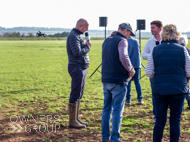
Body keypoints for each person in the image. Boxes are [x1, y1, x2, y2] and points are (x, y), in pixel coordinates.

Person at [145, 24, 190, 142]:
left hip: (160, 90)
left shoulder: (155, 49)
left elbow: (148, 72)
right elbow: (189, 71)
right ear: (177, 34)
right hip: (178, 89)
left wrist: (158, 77)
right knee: (175, 120)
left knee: (160, 120)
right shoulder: (182, 50)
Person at [101, 22, 135, 142]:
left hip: (106, 79)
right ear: (125, 30)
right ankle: (115, 138)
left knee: (106, 109)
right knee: (117, 110)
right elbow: (123, 56)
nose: (129, 36)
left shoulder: (107, 40)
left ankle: (105, 137)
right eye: (129, 33)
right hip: (118, 80)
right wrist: (131, 70)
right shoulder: (122, 41)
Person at [66, 18, 92, 129]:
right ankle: (72, 122)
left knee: (79, 94)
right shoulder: (73, 36)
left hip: (81, 67)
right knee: (75, 93)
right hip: (76, 68)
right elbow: (77, 53)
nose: (87, 30)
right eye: (86, 27)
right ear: (80, 26)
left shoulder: (77, 36)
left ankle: (76, 119)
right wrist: (87, 47)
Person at [142, 20, 163, 119]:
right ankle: (156, 115)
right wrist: (153, 55)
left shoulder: (166, 41)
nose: (151, 30)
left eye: (153, 28)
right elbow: (143, 55)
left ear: (160, 29)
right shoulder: (149, 42)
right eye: (150, 28)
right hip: (154, 73)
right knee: (155, 95)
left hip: (165, 73)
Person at [126, 36, 143, 105]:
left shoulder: (125, 41)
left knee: (128, 82)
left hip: (129, 64)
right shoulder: (136, 41)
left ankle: (128, 100)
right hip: (137, 64)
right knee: (137, 81)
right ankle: (140, 98)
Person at [178, 35, 190, 108]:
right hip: (187, 73)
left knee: (183, 88)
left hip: (182, 73)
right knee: (186, 87)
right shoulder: (188, 50)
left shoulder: (179, 50)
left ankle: (182, 105)